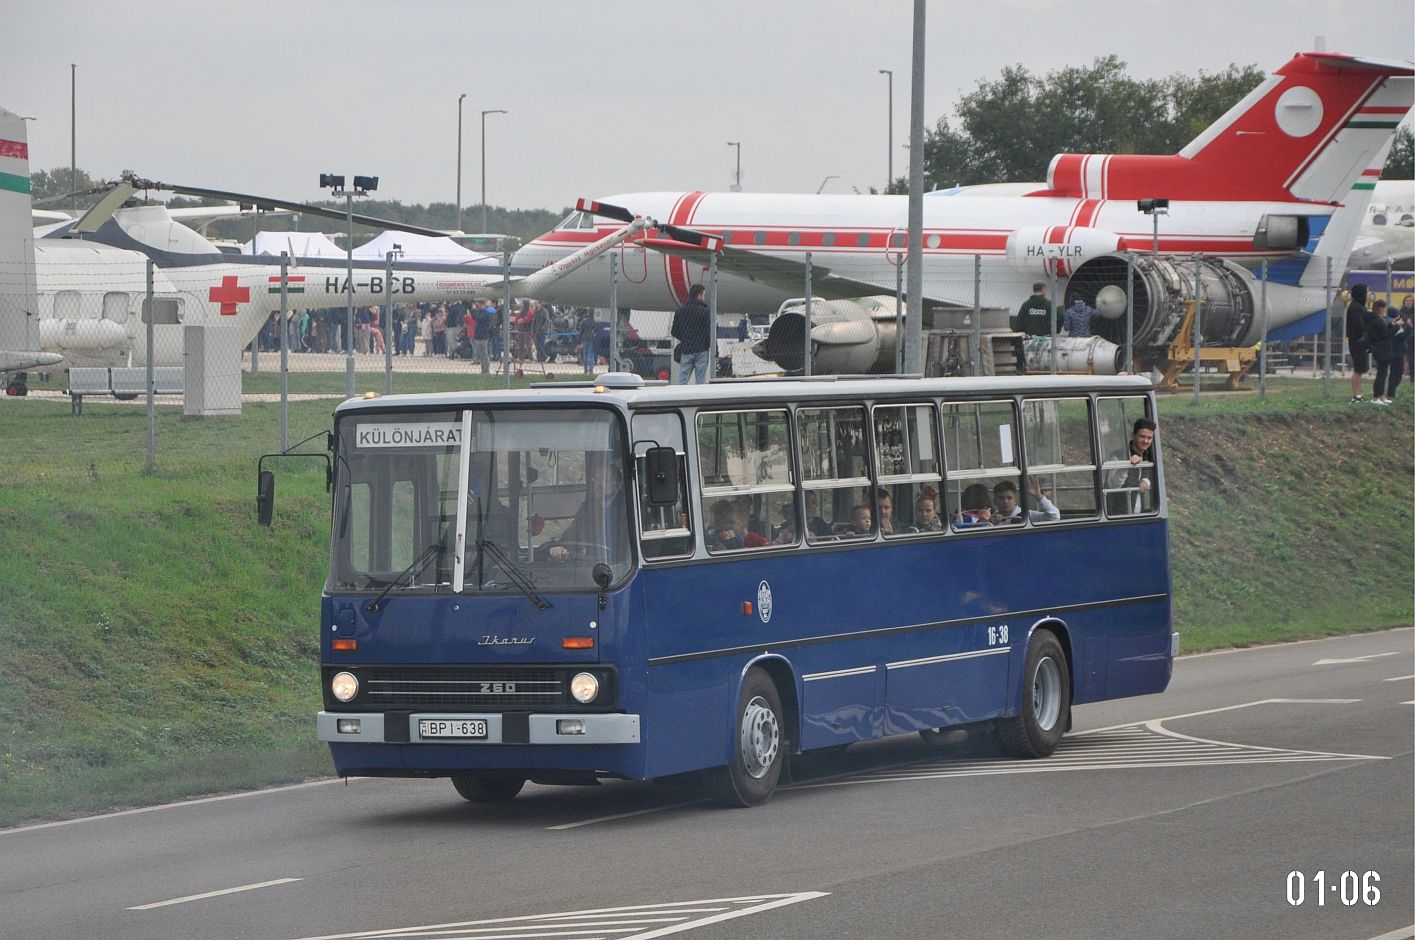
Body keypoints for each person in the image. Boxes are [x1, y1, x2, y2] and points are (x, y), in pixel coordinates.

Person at [546, 468, 627, 562]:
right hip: (590, 565)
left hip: (619, 567)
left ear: (616, 483)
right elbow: (573, 534)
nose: (598, 484)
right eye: (596, 479)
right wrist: (560, 546)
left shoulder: (626, 508)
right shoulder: (587, 508)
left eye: (604, 479)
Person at [1105, 417, 1157, 515]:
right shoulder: (1118, 455)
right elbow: (1111, 486)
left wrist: (1146, 481)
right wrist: (1127, 465)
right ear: (1133, 435)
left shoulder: (1149, 455)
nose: (1146, 441)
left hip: (1139, 515)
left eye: (1149, 438)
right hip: (1119, 515)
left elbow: (1152, 473)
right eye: (1142, 436)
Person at [671, 283, 711, 384]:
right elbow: (708, 332)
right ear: (699, 295)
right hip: (702, 349)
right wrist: (708, 345)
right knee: (700, 379)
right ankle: (699, 398)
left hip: (686, 348)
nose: (703, 297)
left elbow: (674, 331)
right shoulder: (705, 312)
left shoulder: (680, 311)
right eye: (703, 295)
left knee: (683, 378)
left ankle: (679, 397)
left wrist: (685, 338)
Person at [993, 477, 1060, 525]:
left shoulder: (1026, 515)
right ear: (995, 501)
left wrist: (1039, 496)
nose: (1005, 501)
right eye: (1001, 498)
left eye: (1009, 498)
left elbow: (1055, 516)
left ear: (1016, 500)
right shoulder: (991, 518)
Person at [1366, 298, 1394, 405]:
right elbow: (1386, 335)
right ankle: (1375, 397)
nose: (1383, 311)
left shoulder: (1378, 320)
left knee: (1383, 373)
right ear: (1378, 309)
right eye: (1382, 309)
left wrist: (1391, 325)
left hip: (1383, 349)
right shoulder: (1377, 321)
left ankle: (1381, 396)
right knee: (1381, 374)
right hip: (1381, 349)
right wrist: (1395, 327)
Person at [1346, 283, 1370, 403]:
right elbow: (1358, 325)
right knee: (1358, 369)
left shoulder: (1359, 306)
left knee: (1360, 369)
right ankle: (1355, 395)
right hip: (1357, 342)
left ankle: (1358, 394)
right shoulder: (1355, 307)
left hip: (1360, 342)